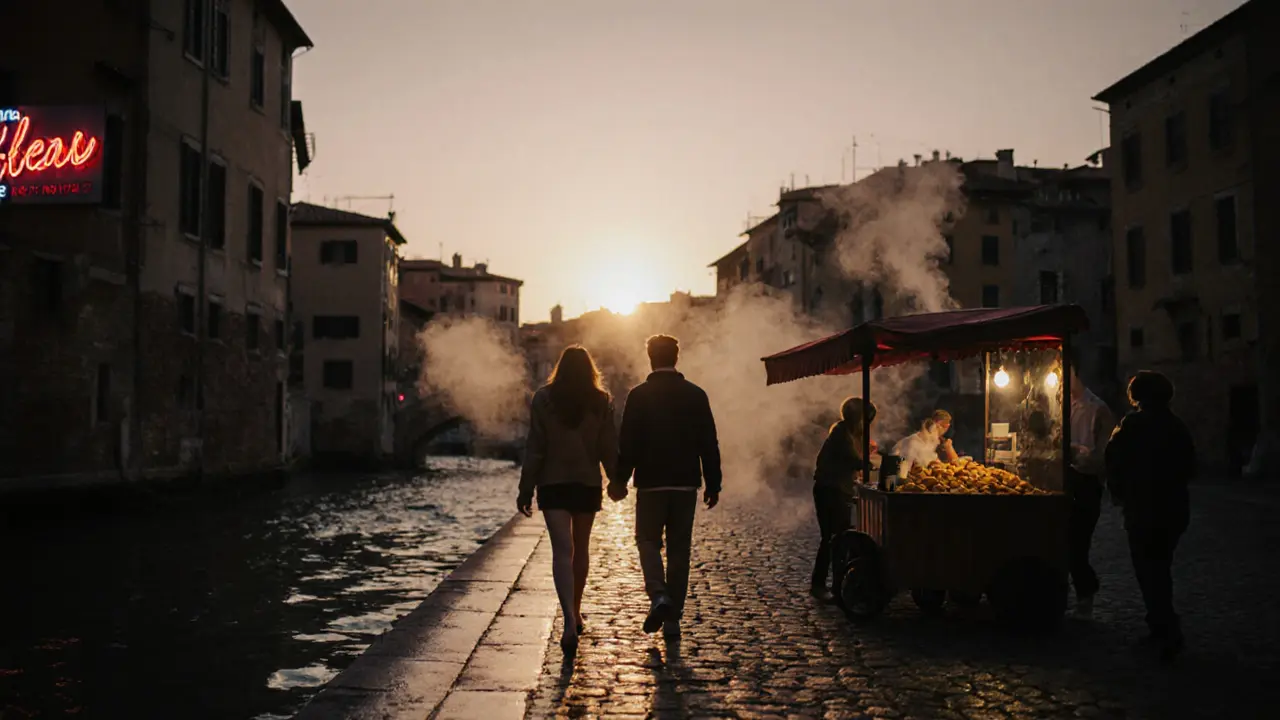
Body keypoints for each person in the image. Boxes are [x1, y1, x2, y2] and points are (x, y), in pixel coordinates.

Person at [608, 334, 721, 638]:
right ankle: (673, 620)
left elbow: (628, 443)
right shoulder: (696, 395)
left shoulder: (639, 395)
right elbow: (708, 442)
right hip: (686, 483)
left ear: (650, 358)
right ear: (676, 357)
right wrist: (714, 482)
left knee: (647, 541)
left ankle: (659, 595)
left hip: (651, 483)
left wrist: (619, 479)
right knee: (680, 549)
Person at [517, 345, 619, 654]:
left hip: (553, 483)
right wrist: (616, 480)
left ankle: (568, 622)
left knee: (562, 551)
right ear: (590, 370)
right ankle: (576, 609)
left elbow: (535, 448)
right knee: (581, 550)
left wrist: (525, 488)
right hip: (586, 484)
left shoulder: (543, 400)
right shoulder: (601, 402)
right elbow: (608, 447)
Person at [1105, 371, 1193, 661]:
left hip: (1143, 509)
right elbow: (1190, 467)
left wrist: (1119, 492)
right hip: (1174, 510)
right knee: (1160, 566)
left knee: (1149, 569)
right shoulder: (1177, 426)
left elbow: (1113, 458)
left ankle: (1165, 628)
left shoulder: (1132, 425)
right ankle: (1162, 624)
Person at [811, 396, 878, 602]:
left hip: (840, 489)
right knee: (832, 537)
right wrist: (870, 462)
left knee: (840, 535)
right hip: (830, 489)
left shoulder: (848, 433)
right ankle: (820, 584)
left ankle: (838, 583)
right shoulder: (841, 434)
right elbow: (854, 460)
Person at [1065, 365, 1116, 618]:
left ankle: (1085, 595)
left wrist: (1077, 453)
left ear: (1075, 372)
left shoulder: (1098, 409)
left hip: (1085, 484)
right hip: (1063, 480)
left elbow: (1104, 458)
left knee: (1077, 545)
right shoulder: (1061, 404)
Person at [892, 409, 959, 478]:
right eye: (938, 426)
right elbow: (903, 474)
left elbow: (956, 464)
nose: (937, 439)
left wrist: (949, 448)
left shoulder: (938, 442)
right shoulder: (913, 442)